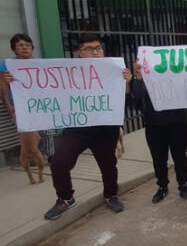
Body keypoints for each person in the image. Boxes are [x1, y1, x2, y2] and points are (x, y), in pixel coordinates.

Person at [13, 34, 133, 220]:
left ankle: (111, 195)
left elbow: (123, 96)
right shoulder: (67, 72)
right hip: (77, 128)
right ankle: (66, 198)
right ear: (79, 53)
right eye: (89, 49)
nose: (95, 52)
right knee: (59, 161)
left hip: (105, 128)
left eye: (98, 48)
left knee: (108, 164)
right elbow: (40, 88)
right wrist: (15, 80)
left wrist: (126, 82)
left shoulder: (114, 70)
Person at [131, 62, 187, 203]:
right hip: (154, 125)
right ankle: (162, 186)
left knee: (180, 156)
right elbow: (137, 96)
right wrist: (139, 77)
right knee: (158, 159)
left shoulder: (178, 78)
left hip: (177, 123)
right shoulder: (143, 79)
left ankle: (183, 184)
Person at [0, 34, 45, 184]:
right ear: (14, 49)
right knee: (28, 133)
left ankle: (45, 156)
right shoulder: (7, 65)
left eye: (28, 44)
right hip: (20, 105)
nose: (25, 47)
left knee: (44, 131)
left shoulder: (40, 63)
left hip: (40, 103)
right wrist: (9, 106)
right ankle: (32, 158)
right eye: (20, 45)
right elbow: (4, 87)